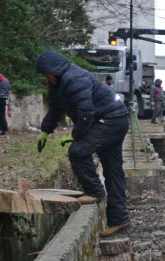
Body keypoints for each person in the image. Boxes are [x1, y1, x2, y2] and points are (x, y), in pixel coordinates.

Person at [35, 51, 131, 237]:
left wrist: (75, 135)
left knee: (78, 151)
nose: (46, 77)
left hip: (112, 120)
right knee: (112, 171)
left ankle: (95, 191)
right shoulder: (57, 82)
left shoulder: (74, 78)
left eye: (47, 73)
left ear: (56, 69)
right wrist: (45, 130)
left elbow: (86, 112)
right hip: (110, 120)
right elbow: (55, 108)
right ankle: (120, 219)